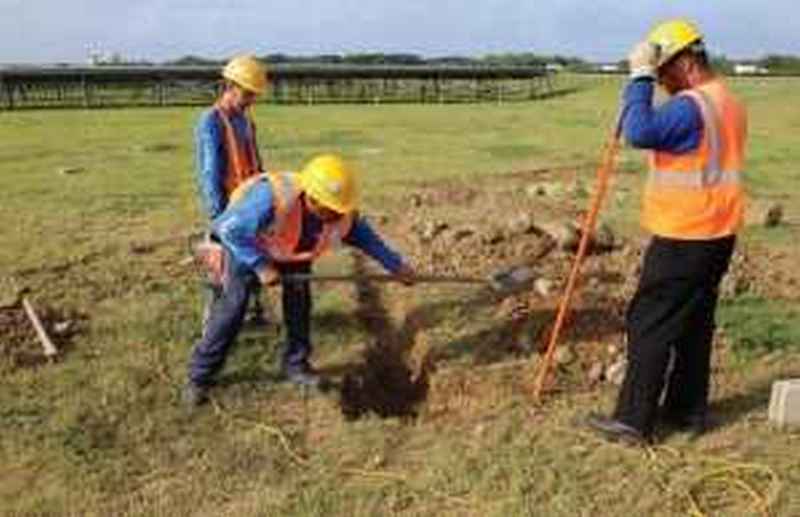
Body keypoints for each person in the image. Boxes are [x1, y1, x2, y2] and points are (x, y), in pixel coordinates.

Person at [586, 19, 747, 444]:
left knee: (650, 323)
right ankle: (686, 412)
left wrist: (637, 78)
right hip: (717, 233)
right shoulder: (726, 101)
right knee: (694, 323)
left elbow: (640, 132)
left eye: (663, 69)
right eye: (655, 73)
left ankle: (633, 421)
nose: (660, 79)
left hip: (684, 235)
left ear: (687, 60)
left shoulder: (692, 105)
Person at [183, 154, 416, 406]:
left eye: (341, 209)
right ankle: (200, 376)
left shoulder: (340, 213)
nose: (339, 215)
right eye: (332, 209)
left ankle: (296, 365)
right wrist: (261, 265)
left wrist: (396, 266)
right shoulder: (269, 200)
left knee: (299, 304)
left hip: (292, 252)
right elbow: (228, 229)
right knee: (233, 307)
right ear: (312, 200)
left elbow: (368, 240)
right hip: (247, 246)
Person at [195, 54, 270, 327]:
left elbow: (256, 162)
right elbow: (209, 172)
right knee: (221, 266)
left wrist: (265, 193)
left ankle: (253, 312)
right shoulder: (211, 121)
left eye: (254, 95)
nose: (251, 99)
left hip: (251, 204)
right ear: (231, 85)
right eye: (248, 93)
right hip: (227, 207)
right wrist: (217, 215)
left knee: (255, 255)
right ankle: (212, 324)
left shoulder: (247, 121)